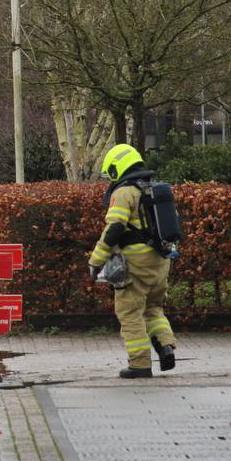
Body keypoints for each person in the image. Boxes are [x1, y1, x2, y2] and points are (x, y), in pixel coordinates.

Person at [87, 144, 177, 379]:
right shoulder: (152, 188)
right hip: (161, 258)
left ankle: (139, 364)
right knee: (153, 308)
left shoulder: (125, 191)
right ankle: (165, 346)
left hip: (137, 262)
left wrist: (96, 260)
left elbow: (115, 227)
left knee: (129, 311)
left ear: (118, 168)